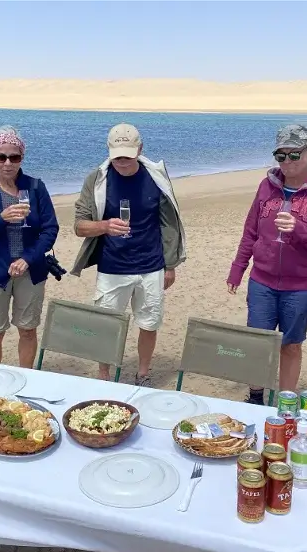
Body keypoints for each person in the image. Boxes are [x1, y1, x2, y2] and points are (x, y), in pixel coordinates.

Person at [226, 124, 307, 404]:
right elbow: (250, 231)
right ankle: (256, 397)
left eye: (294, 155)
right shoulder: (266, 186)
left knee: (290, 345)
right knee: (259, 343)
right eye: (281, 156)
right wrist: (238, 269)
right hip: (262, 282)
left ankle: (286, 400)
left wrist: (300, 229)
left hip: (301, 287)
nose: (287, 162)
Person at [70, 123, 186, 386]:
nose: (122, 161)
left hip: (151, 266)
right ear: (109, 151)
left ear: (140, 149)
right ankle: (104, 375)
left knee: (149, 323)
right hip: (112, 268)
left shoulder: (156, 177)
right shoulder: (97, 179)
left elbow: (168, 224)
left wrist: (170, 265)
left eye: (127, 155)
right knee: (106, 325)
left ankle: (142, 374)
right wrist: (104, 226)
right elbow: (79, 226)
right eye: (117, 155)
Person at [0, 125, 59, 368]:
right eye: (1, 157)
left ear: (22, 158)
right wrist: (0, 218)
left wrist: (27, 258)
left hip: (30, 270)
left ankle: (27, 377)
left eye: (14, 157)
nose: (8, 163)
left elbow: (50, 229)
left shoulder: (36, 187)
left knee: (27, 330)